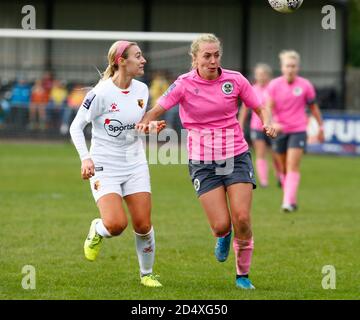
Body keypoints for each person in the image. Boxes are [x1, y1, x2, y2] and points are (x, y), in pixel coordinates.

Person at [137, 34, 277, 289]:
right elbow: (156, 110)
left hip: (236, 156)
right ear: (195, 59)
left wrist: (267, 121)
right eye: (207, 56)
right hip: (203, 163)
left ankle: (242, 276)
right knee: (222, 225)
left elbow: (260, 107)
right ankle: (223, 235)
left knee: (242, 218)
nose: (213, 61)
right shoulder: (183, 84)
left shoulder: (235, 80)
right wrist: (146, 123)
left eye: (216, 55)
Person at [69, 40, 165, 288]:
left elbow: (136, 125)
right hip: (104, 165)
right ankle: (97, 230)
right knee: (116, 224)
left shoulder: (143, 89)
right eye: (138, 56)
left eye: (142, 55)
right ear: (121, 61)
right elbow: (76, 127)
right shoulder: (100, 93)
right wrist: (85, 158)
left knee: (143, 224)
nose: (143, 60)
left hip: (134, 164)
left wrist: (149, 127)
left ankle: (147, 274)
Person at [265, 50, 324, 212]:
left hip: (298, 130)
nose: (290, 69)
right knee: (283, 168)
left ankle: (287, 202)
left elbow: (314, 108)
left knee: (292, 165)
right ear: (282, 67)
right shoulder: (274, 85)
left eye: (293, 66)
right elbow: (268, 108)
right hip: (280, 131)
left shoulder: (305, 85)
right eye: (287, 66)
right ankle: (291, 198)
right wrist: (271, 123)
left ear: (297, 67)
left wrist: (321, 127)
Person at [238, 63, 281, 188]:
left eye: (264, 74)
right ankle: (264, 181)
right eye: (259, 74)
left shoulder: (273, 89)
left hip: (273, 127)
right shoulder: (252, 89)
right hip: (257, 127)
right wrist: (240, 125)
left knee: (276, 154)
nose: (261, 77)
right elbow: (244, 110)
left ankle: (280, 176)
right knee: (260, 153)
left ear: (269, 76)